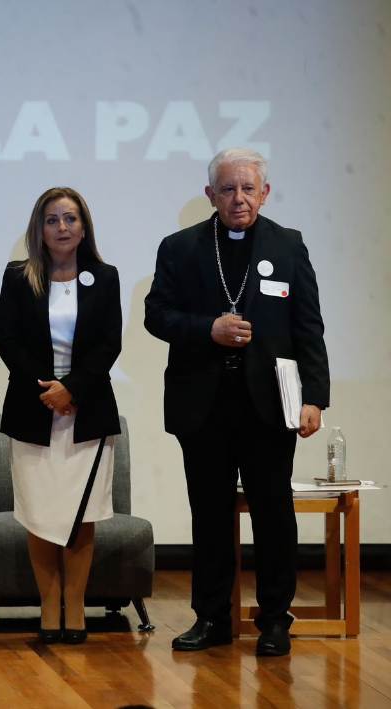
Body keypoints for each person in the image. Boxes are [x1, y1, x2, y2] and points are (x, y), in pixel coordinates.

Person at [145, 148, 329, 657]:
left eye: (248, 189)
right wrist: (209, 329)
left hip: (268, 406)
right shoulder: (180, 248)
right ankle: (212, 618)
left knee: (273, 516)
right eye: (227, 189)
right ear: (210, 195)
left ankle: (274, 620)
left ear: (265, 193)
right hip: (203, 406)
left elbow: (308, 327)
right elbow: (156, 315)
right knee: (208, 515)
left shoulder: (288, 247)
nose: (238, 198)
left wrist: (314, 397)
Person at [0, 187, 122, 645]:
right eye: (52, 220)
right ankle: (49, 610)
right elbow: (7, 340)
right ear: (39, 228)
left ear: (84, 226)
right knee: (40, 513)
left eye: (70, 219)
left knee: (82, 513)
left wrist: (73, 389)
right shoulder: (18, 277)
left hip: (88, 411)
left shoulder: (104, 278)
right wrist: (50, 391)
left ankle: (77, 611)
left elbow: (110, 343)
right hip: (34, 409)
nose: (62, 228)